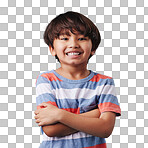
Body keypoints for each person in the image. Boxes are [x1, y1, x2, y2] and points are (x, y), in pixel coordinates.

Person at [34, 11, 121, 148]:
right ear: (52, 49)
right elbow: (51, 130)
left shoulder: (104, 82)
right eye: (64, 38)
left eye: (81, 38)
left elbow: (105, 129)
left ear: (93, 48)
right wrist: (97, 113)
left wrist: (59, 115)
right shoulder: (46, 80)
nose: (73, 44)